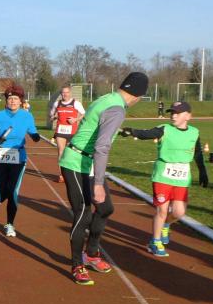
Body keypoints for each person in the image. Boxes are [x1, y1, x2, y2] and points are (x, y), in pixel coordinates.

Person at [59, 72, 148, 285]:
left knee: (105, 208)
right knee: (83, 213)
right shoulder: (117, 109)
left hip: (86, 160)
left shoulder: (107, 98)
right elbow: (102, 146)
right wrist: (98, 183)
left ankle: (91, 254)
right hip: (76, 162)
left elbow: (92, 122)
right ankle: (77, 265)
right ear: (138, 96)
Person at [119, 101, 208, 257]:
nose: (173, 116)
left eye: (177, 113)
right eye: (172, 112)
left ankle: (166, 224)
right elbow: (147, 134)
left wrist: (202, 171)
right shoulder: (164, 129)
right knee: (162, 210)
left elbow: (198, 153)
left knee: (179, 213)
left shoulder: (194, 132)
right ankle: (155, 241)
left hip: (182, 178)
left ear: (188, 116)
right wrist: (131, 131)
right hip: (163, 176)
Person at [0, 84, 41, 237]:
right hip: (0, 157)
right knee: (2, 192)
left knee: (13, 191)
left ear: (21, 101)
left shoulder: (27, 116)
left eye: (16, 99)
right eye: (10, 99)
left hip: (19, 157)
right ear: (6, 101)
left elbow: (32, 131)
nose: (13, 101)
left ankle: (9, 224)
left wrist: (35, 136)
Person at [50, 86, 86, 182]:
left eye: (66, 92)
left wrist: (75, 119)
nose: (64, 94)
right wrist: (53, 117)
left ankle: (72, 173)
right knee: (61, 151)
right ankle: (61, 175)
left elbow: (84, 114)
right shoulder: (57, 103)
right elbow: (52, 115)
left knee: (71, 153)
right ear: (61, 94)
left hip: (72, 132)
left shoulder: (76, 103)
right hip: (60, 131)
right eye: (63, 93)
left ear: (70, 93)